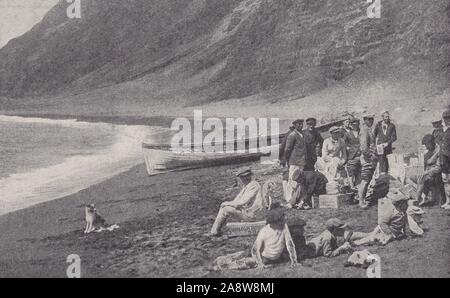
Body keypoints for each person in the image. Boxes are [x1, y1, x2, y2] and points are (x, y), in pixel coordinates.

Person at [210, 168, 268, 236]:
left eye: (246, 176)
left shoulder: (254, 185)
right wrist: (228, 204)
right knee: (225, 207)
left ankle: (214, 231)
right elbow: (236, 200)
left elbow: (243, 201)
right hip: (249, 213)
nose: (244, 179)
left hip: (253, 215)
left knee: (225, 209)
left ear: (250, 176)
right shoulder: (247, 186)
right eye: (242, 177)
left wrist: (226, 204)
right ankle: (215, 230)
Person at [282, 119, 307, 208]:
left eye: (301, 124)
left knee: (298, 181)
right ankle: (289, 200)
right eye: (298, 124)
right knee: (292, 181)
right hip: (294, 161)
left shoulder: (302, 135)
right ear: (295, 125)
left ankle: (296, 199)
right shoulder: (292, 135)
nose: (300, 126)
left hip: (301, 162)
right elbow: (287, 149)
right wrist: (287, 160)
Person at [416, 134, 444, 206]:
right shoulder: (429, 150)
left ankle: (416, 199)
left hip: (436, 174)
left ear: (431, 143)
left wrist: (426, 172)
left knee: (422, 179)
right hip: (428, 172)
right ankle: (420, 197)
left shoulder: (439, 151)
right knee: (413, 177)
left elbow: (438, 168)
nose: (426, 147)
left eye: (427, 145)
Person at [357, 113, 378, 209]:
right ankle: (361, 201)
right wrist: (370, 155)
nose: (370, 121)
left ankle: (363, 199)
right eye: (368, 119)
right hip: (367, 159)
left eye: (372, 119)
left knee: (367, 180)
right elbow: (364, 147)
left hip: (370, 158)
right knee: (365, 180)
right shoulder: (364, 130)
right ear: (364, 120)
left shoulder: (368, 129)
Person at [343, 118, 362, 188]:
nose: (355, 126)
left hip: (362, 155)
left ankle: (359, 188)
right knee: (351, 172)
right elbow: (344, 144)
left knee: (360, 173)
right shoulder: (348, 134)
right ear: (351, 125)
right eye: (354, 125)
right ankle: (352, 188)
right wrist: (349, 149)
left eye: (357, 125)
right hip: (352, 156)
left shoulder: (362, 132)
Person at [440, 110, 450, 210]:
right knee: (445, 181)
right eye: (446, 118)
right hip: (444, 160)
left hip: (449, 159)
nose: (447, 120)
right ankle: (448, 201)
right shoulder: (444, 131)